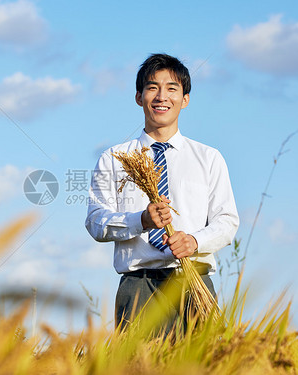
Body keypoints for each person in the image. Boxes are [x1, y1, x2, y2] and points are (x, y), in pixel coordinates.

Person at [85, 53, 239, 332]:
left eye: (172, 89)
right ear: (138, 96)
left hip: (194, 285)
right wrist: (140, 220)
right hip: (139, 288)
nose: (161, 97)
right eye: (152, 87)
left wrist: (194, 240)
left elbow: (227, 221)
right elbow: (96, 222)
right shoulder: (114, 158)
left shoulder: (208, 157)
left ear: (185, 99)